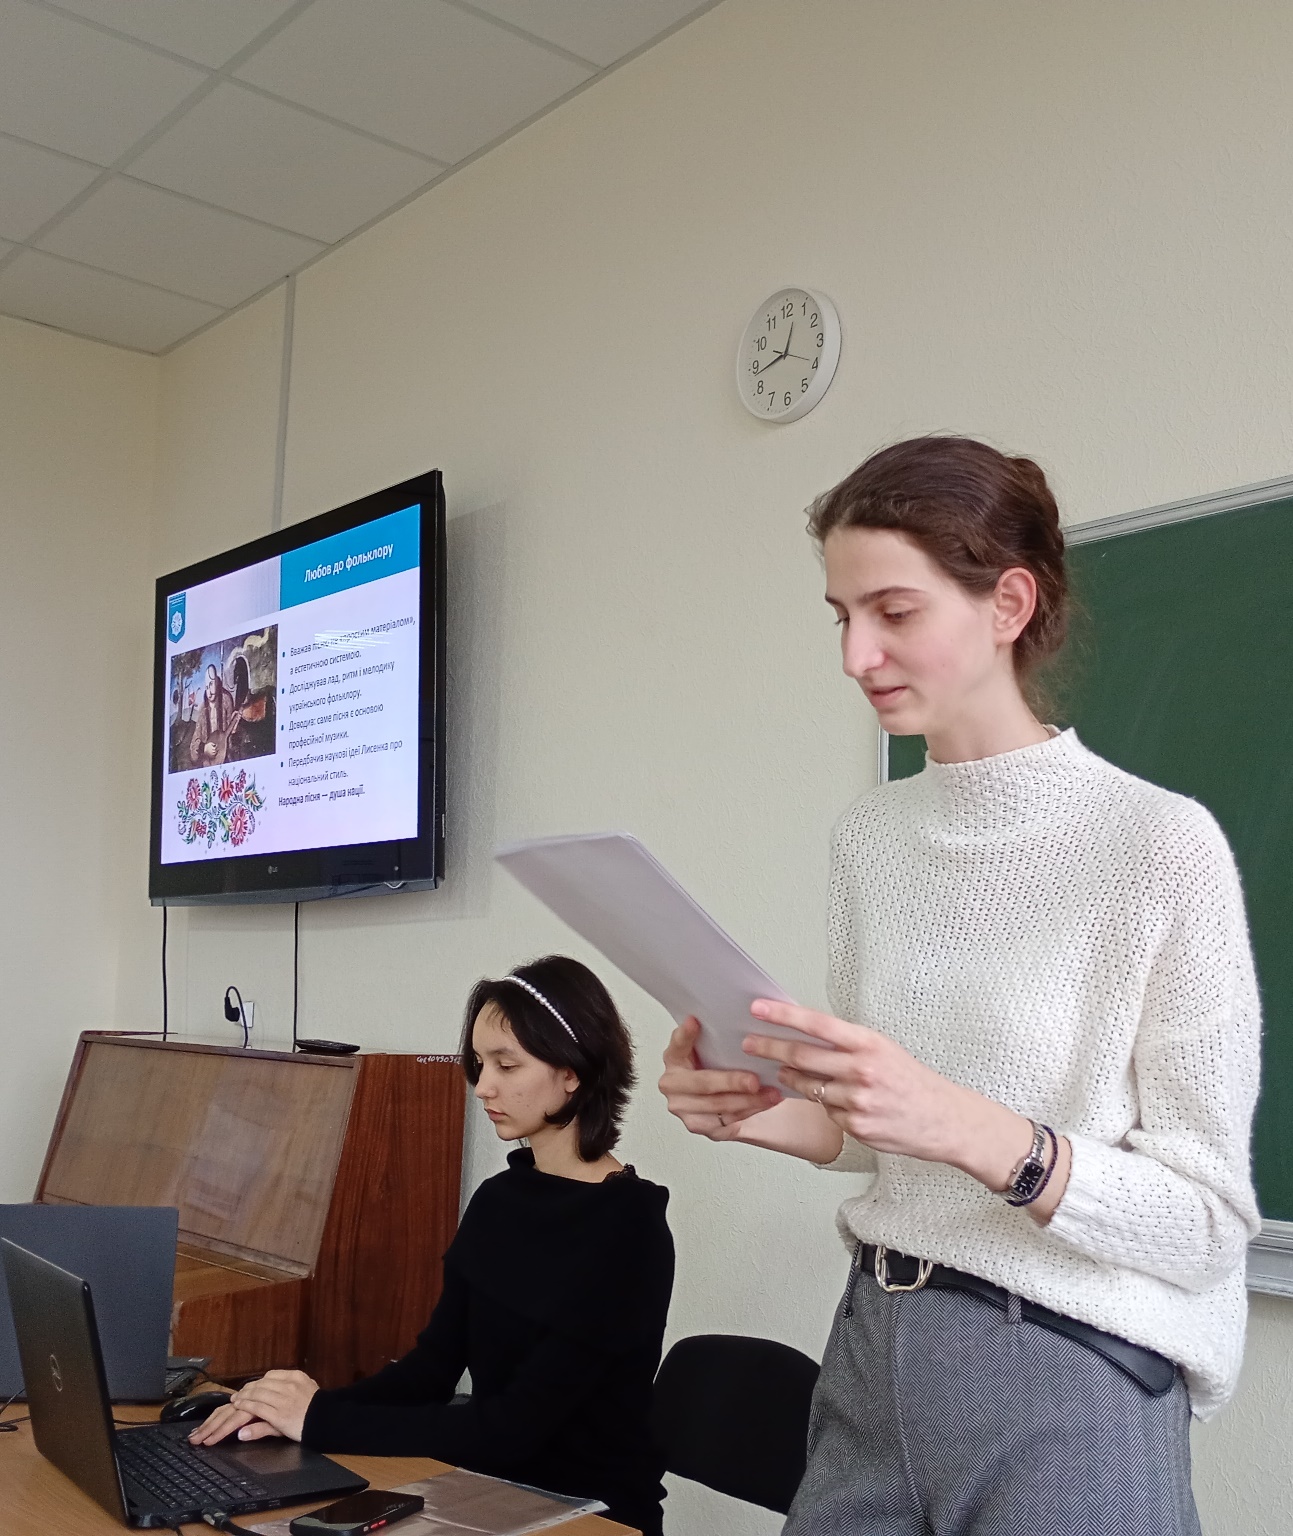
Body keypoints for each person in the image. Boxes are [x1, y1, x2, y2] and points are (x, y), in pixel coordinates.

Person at [659, 436, 1260, 1536]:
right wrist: (761, 1110)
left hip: (1070, 1368)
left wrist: (976, 1131)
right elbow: (880, 1133)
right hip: (875, 1345)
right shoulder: (869, 839)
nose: (858, 655)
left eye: (893, 610)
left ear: (1008, 604)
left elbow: (1209, 1225)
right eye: (841, 617)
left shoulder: (1158, 846)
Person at [191, 955, 675, 1535]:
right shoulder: (501, 1199)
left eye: (506, 1065)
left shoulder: (628, 1228)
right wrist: (295, 1411)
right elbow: (430, 1372)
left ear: (572, 1071)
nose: (483, 1086)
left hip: (590, 1514)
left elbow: (513, 1429)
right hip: (489, 1488)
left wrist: (319, 1420)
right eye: (479, 1063)